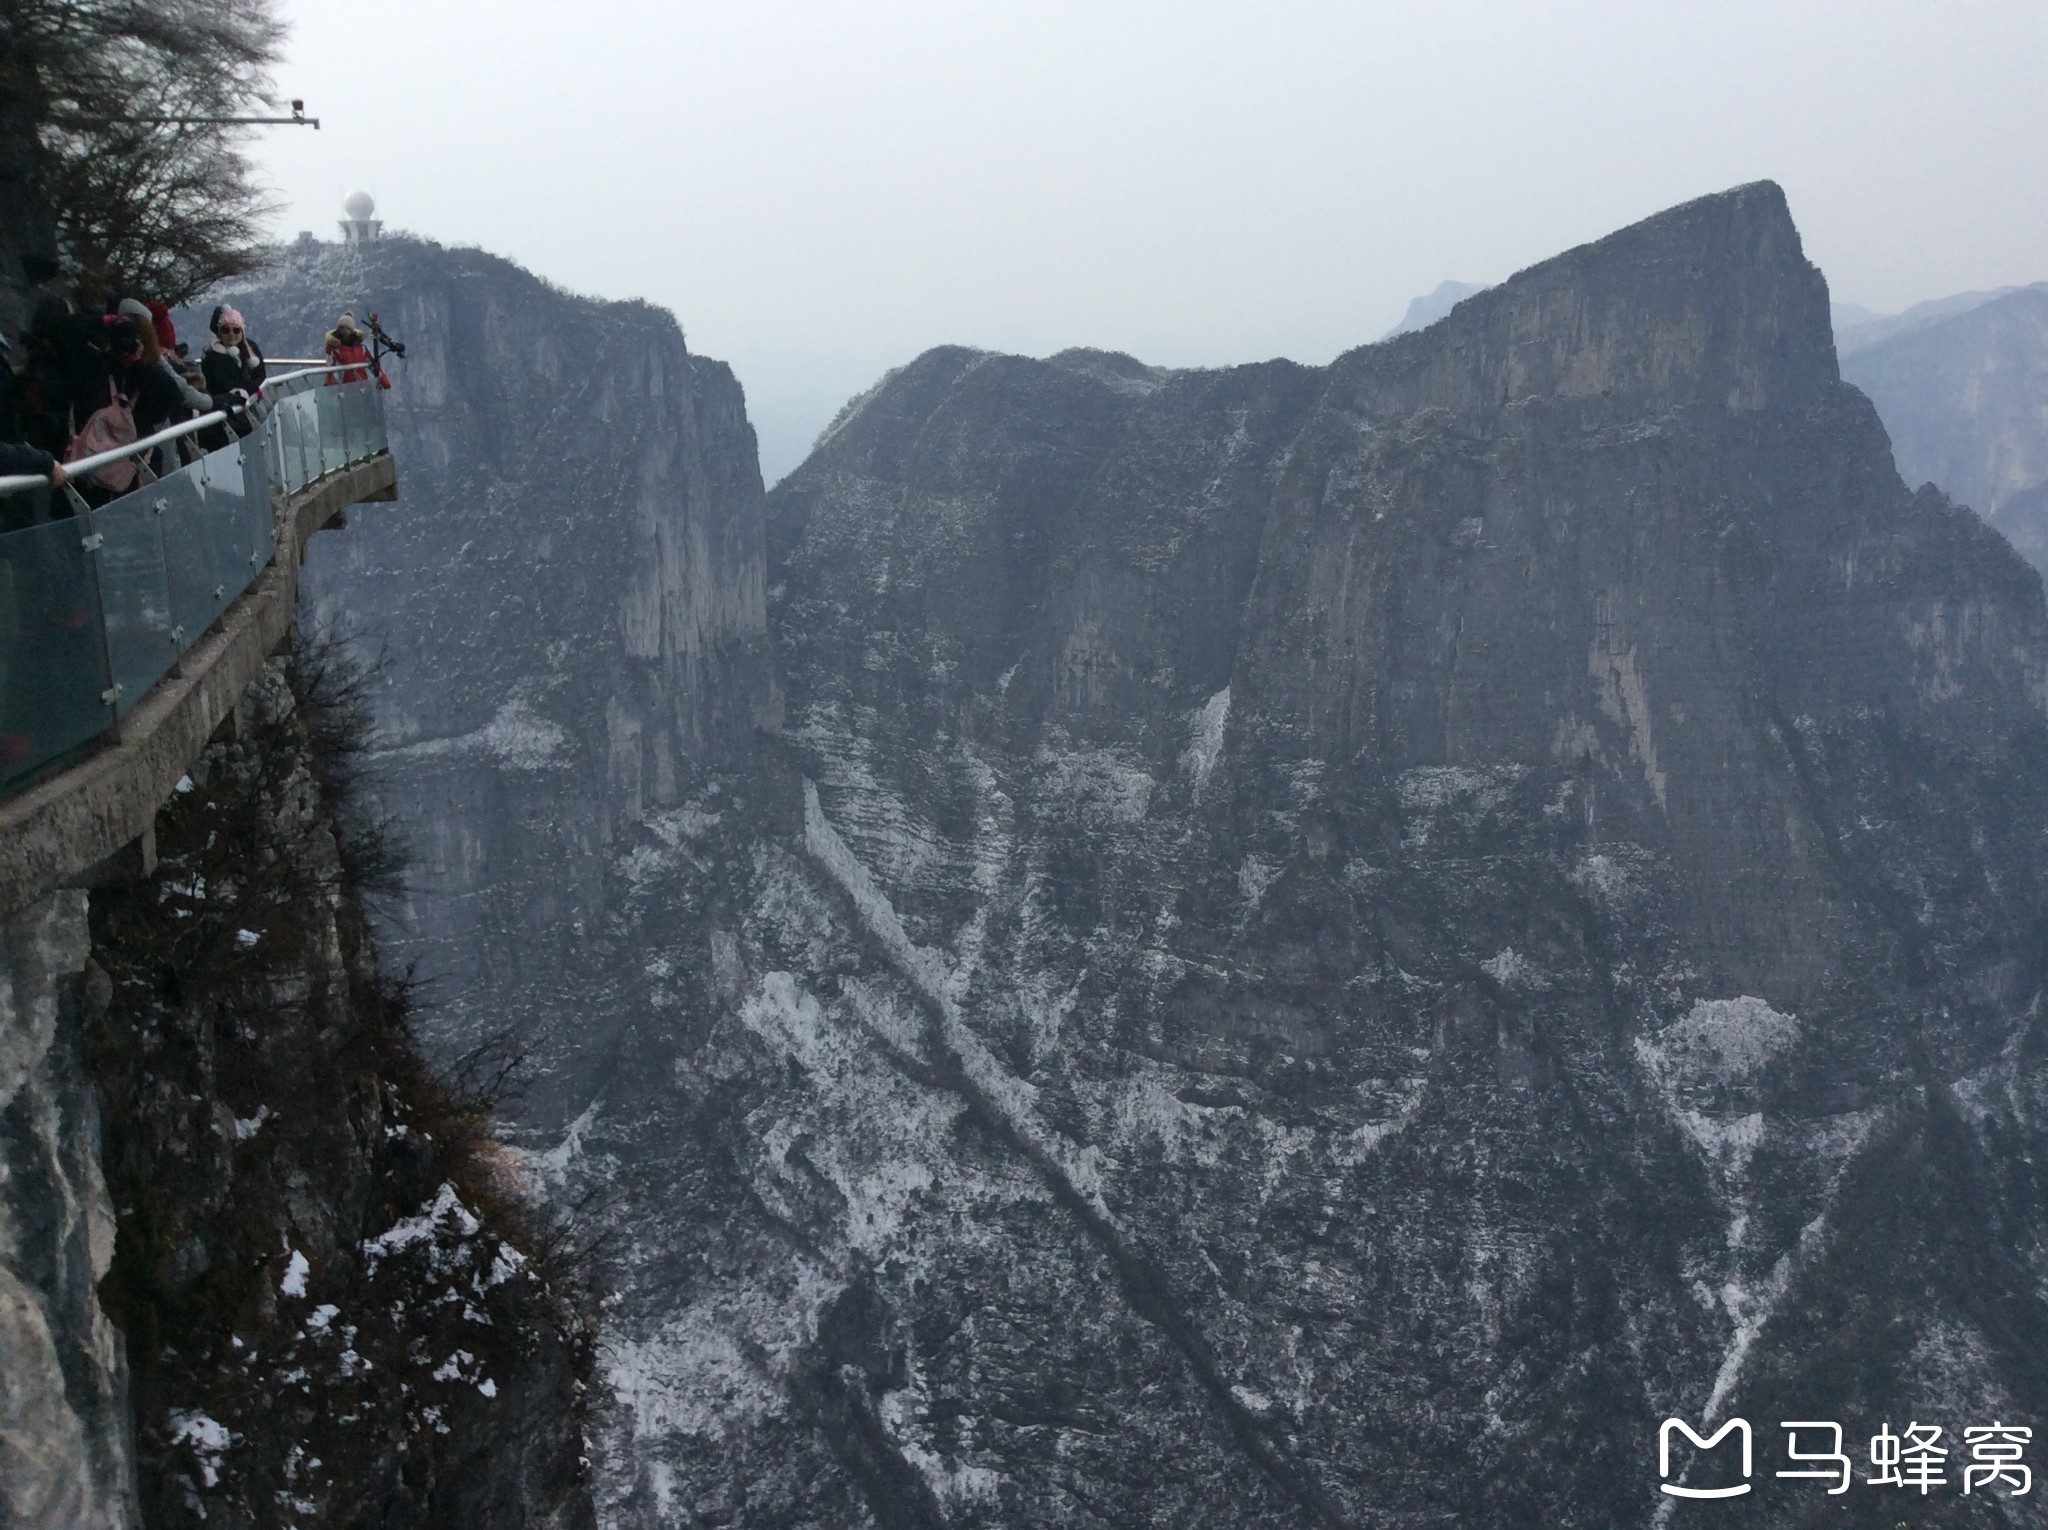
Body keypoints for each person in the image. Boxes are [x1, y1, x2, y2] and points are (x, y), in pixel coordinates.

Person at [198, 306, 265, 448]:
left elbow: (260, 374)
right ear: (219, 332)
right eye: (225, 330)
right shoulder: (214, 356)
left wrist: (248, 386)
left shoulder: (249, 349)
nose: (231, 334)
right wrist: (250, 386)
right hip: (226, 414)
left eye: (236, 330)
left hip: (246, 409)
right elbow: (223, 384)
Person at [323, 311, 376, 384]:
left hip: (363, 384)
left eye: (347, 328)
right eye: (341, 328)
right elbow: (330, 368)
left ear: (351, 330)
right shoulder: (333, 348)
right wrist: (332, 386)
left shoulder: (361, 347)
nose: (344, 331)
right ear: (338, 329)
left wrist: (382, 380)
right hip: (343, 386)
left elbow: (372, 363)